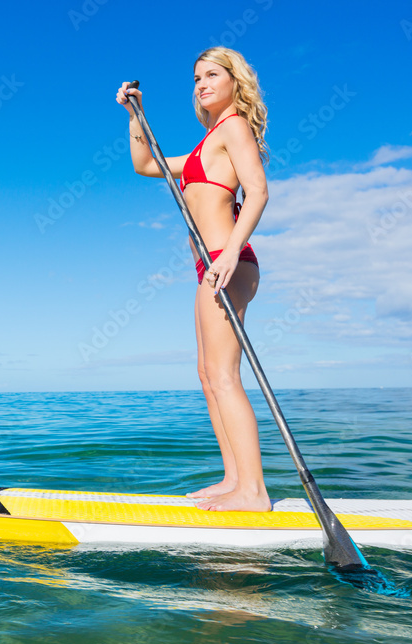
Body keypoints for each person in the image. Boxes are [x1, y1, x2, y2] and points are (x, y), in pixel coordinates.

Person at [116, 47, 271, 512]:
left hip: (230, 259)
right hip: (211, 264)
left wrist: (226, 255)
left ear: (233, 82)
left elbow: (259, 191)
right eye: (196, 77)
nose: (201, 84)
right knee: (208, 375)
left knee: (223, 375)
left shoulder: (235, 127)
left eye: (211, 75)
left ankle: (254, 492)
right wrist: (134, 115)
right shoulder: (207, 143)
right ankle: (234, 478)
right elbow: (147, 165)